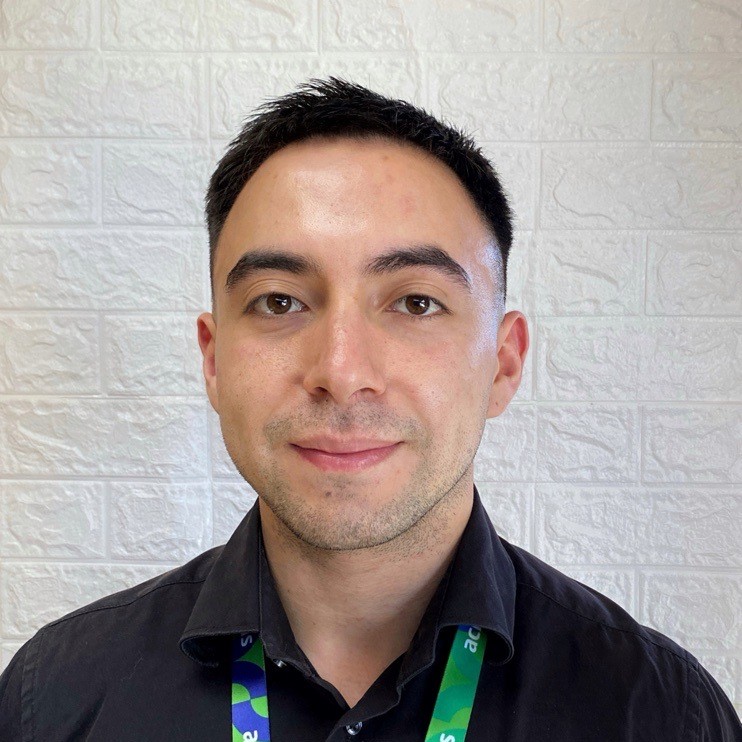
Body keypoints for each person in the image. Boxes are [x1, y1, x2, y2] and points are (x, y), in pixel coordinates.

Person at [0, 77, 739, 742]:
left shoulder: (660, 714)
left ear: (503, 363)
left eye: (416, 302)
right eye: (279, 302)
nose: (342, 373)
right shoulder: (53, 701)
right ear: (215, 360)